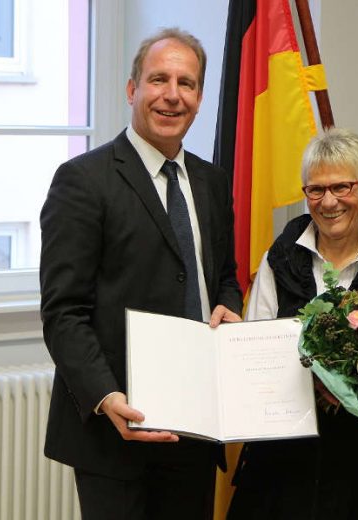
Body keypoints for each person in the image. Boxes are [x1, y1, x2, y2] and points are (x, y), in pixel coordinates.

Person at [40, 28, 242, 520]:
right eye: (159, 79)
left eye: (187, 83)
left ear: (199, 97)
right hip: (115, 434)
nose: (173, 95)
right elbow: (64, 312)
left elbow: (226, 276)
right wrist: (108, 397)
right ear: (132, 90)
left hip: (194, 429)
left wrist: (229, 305)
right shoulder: (83, 181)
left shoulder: (212, 182)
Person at [227, 128, 358, 520]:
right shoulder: (276, 261)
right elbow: (255, 351)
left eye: (342, 187)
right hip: (281, 471)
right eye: (315, 190)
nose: (329, 202)